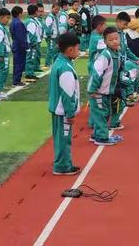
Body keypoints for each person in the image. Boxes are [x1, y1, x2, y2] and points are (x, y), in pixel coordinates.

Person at [48, 33, 81, 175]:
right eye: (77, 48)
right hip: (62, 111)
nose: (79, 51)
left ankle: (64, 163)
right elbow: (68, 94)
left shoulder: (60, 62)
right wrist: (70, 113)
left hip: (58, 109)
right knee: (63, 139)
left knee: (61, 138)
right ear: (69, 50)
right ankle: (62, 166)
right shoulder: (65, 68)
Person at [87, 27, 123, 146]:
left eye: (116, 38)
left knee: (105, 113)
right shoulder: (105, 55)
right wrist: (93, 89)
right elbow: (96, 72)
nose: (114, 41)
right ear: (105, 42)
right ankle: (102, 137)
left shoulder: (116, 53)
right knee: (101, 114)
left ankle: (96, 134)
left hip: (106, 91)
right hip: (98, 92)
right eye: (111, 40)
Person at [0, 8, 12, 101]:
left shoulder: (2, 27)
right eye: (7, 18)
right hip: (2, 55)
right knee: (2, 71)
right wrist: (0, 55)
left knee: (2, 71)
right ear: (1, 17)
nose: (8, 20)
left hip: (4, 53)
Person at [10, 6, 28, 87]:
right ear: (19, 14)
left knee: (17, 63)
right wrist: (25, 46)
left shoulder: (13, 22)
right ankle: (17, 80)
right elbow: (21, 37)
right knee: (19, 64)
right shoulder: (19, 23)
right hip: (19, 46)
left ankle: (16, 79)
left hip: (15, 45)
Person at [24, 4, 40, 82]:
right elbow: (31, 34)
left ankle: (30, 72)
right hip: (31, 44)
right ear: (35, 12)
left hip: (29, 43)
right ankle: (29, 73)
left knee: (30, 58)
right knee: (30, 58)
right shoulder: (31, 22)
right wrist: (34, 43)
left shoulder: (29, 20)